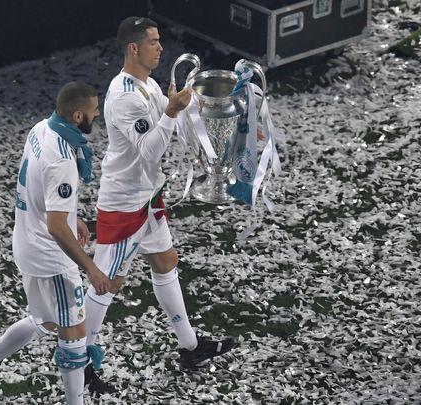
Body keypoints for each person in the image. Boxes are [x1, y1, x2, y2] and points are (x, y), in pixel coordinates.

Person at [82, 16, 236, 391]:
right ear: (133, 48)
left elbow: (170, 130)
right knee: (108, 283)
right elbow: (150, 151)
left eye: (159, 40)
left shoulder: (148, 84)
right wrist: (170, 112)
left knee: (166, 262)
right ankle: (79, 359)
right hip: (124, 202)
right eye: (153, 42)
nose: (160, 47)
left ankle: (190, 347)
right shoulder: (123, 97)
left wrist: (196, 119)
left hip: (147, 196)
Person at [0, 82, 112, 405]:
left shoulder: (41, 129)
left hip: (26, 241)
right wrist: (90, 268)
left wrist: (70, 215)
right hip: (50, 259)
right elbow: (56, 228)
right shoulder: (63, 161)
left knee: (46, 321)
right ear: (77, 115)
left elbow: (40, 189)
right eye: (94, 110)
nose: (97, 115)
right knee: (74, 336)